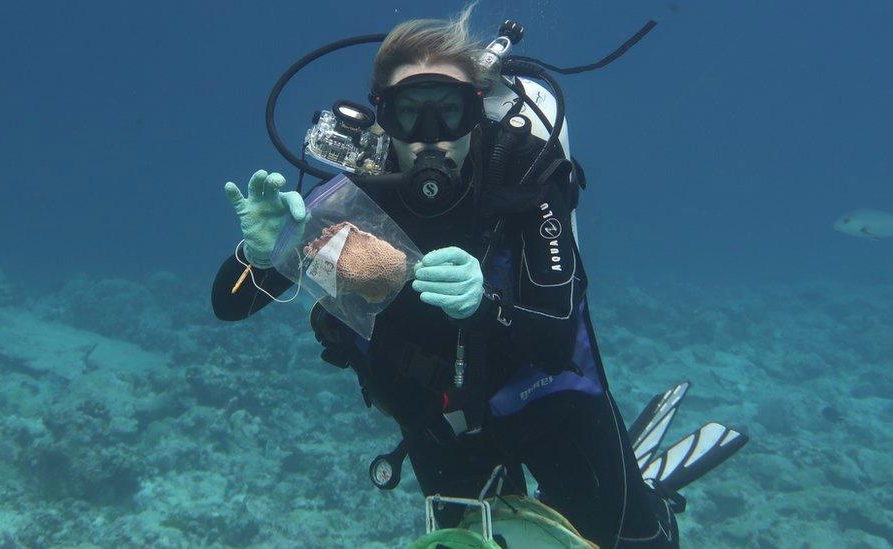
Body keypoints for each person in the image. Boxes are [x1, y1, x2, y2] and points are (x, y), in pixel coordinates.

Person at [212, 7, 679, 548]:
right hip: (440, 419)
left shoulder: (524, 172)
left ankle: (650, 505)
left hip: (552, 402)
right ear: (382, 117)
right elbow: (229, 303)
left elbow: (557, 332)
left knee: (634, 542)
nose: (429, 138)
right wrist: (263, 254)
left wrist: (484, 305)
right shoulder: (357, 196)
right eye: (410, 115)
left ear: (476, 112)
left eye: (449, 113)